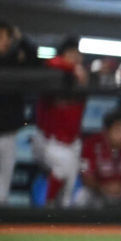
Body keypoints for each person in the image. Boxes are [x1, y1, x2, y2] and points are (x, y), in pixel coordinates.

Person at [33, 36, 89, 207]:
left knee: (69, 182)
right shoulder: (54, 70)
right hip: (48, 139)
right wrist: (73, 67)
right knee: (62, 169)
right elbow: (52, 62)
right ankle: (48, 207)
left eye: (77, 53)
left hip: (71, 141)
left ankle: (59, 221)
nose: (75, 56)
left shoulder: (82, 76)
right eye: (70, 53)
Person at [0, 22, 38, 204]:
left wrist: (20, 37)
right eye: (2, 36)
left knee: (3, 187)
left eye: (7, 37)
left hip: (8, 132)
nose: (5, 41)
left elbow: (34, 57)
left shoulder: (15, 59)